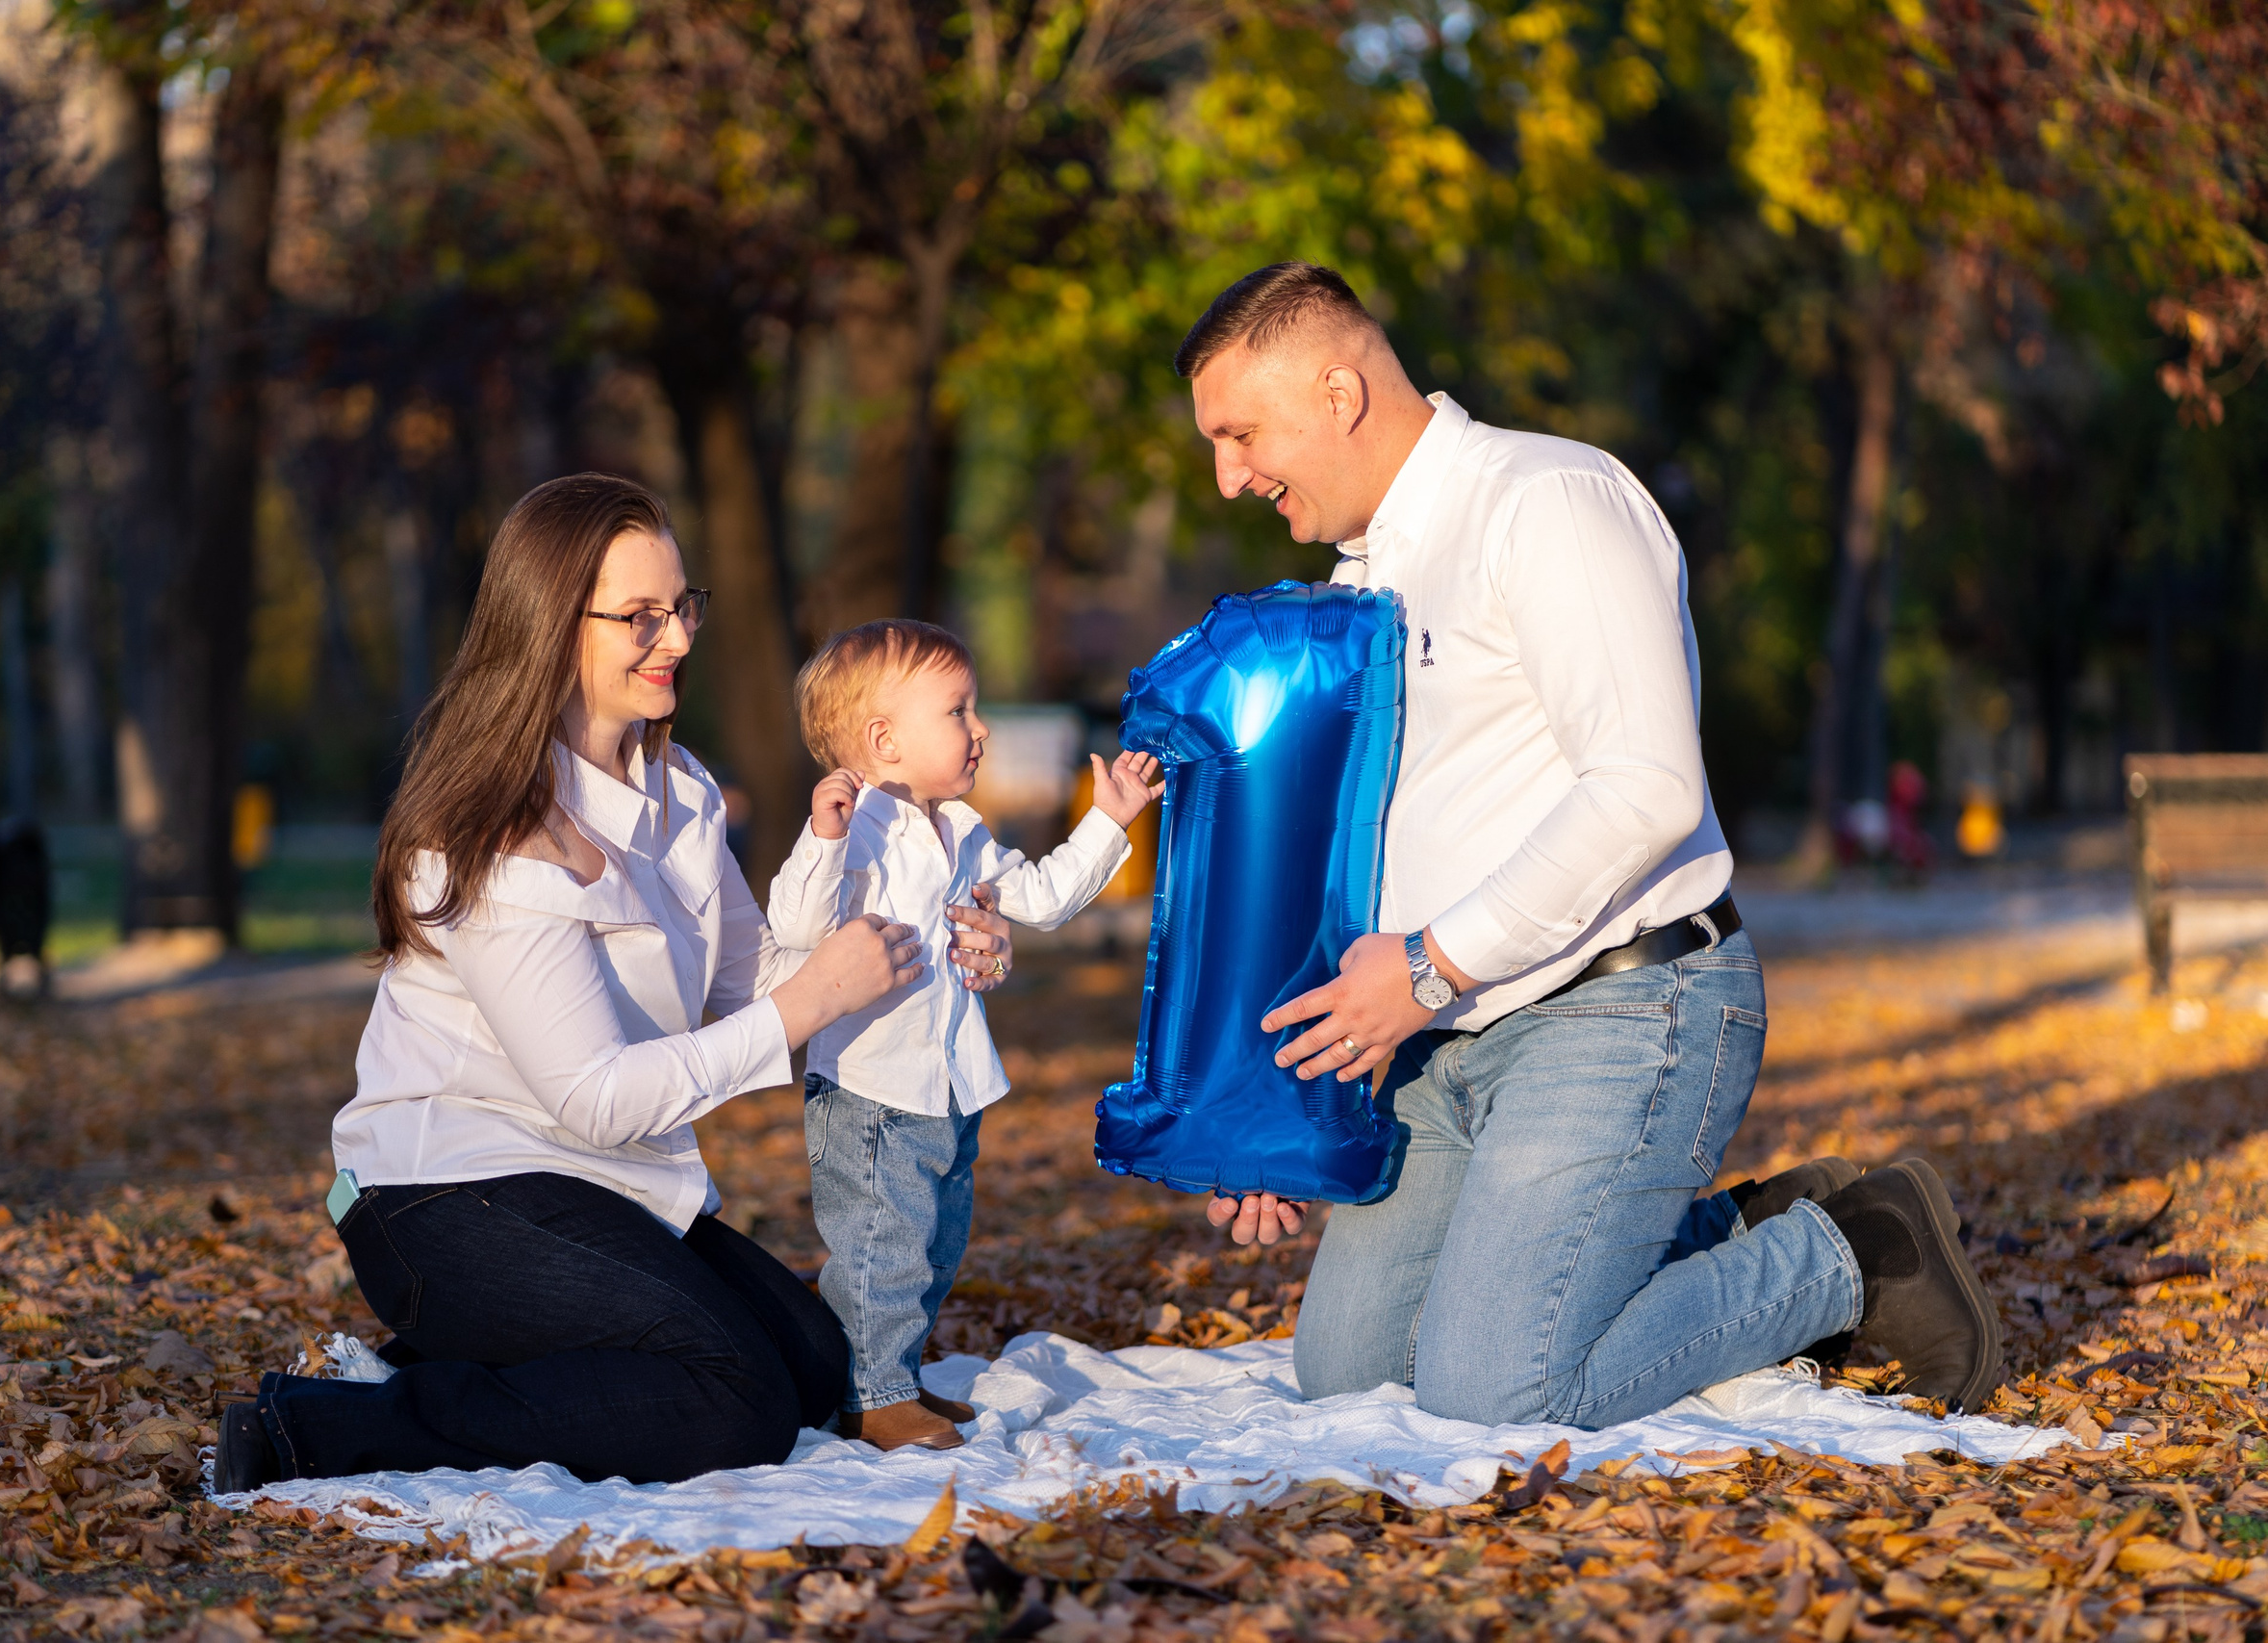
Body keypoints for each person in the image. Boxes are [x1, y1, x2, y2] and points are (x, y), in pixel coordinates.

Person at [1178, 264, 2004, 1423]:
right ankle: (1714, 1232)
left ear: (1337, 392)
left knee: (1496, 1389)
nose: (1227, 475)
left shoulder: (1547, 501)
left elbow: (1648, 788)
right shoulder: (1358, 581)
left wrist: (1425, 968)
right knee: (1350, 1375)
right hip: (1445, 1041)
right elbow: (1361, 859)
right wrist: (1267, 1109)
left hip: (1626, 1008)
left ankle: (1852, 1250)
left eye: (1240, 432)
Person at [211, 475, 1024, 1493]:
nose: (677, 637)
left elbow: (748, 981)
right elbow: (598, 1096)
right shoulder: (485, 838)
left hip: (602, 1189)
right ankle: (316, 1428)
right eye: (640, 616)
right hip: (444, 1201)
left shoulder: (678, 790)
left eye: (683, 606)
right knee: (737, 1400)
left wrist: (925, 959)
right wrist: (811, 1000)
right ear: (551, 626)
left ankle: (516, 1367)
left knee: (818, 1366)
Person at [767, 620, 1163, 1450]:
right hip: (872, 1089)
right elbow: (797, 925)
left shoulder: (966, 832)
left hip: (949, 1085)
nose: (981, 729)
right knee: (883, 1247)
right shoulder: (857, 833)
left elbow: (1046, 896)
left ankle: (893, 1377)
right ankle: (869, 1394)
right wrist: (822, 837)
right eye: (959, 711)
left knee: (936, 1242)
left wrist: (1111, 818)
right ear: (886, 741)